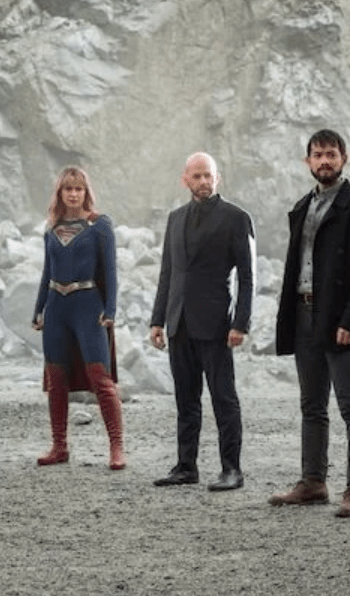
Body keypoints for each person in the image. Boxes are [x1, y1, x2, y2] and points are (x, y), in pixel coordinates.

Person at [269, 130, 350, 517]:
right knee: (312, 404)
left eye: (331, 154)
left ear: (344, 159)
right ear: (308, 161)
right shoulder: (302, 207)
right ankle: (313, 482)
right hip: (304, 314)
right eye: (317, 155)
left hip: (339, 319)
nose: (324, 161)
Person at [150, 152, 255, 492]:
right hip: (178, 321)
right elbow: (168, 272)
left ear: (217, 178)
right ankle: (186, 466)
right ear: (186, 180)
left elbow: (248, 276)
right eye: (197, 176)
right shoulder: (175, 219)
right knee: (186, 399)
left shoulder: (236, 218)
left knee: (224, 398)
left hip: (216, 324)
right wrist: (157, 320)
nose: (203, 181)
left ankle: (232, 469)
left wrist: (241, 323)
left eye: (208, 175)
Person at [32, 166, 125, 470]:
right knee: (56, 379)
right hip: (56, 308)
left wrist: (110, 310)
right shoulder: (52, 227)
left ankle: (116, 447)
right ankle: (59, 447)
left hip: (88, 305)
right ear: (60, 193)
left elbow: (110, 270)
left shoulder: (99, 224)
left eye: (78, 189)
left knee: (101, 377)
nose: (73, 194)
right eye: (67, 189)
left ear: (86, 192)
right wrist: (38, 308)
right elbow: (47, 271)